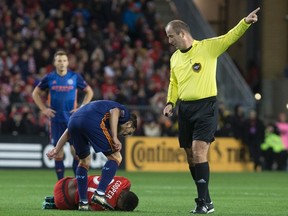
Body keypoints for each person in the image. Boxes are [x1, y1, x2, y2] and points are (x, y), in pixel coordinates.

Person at [162, 7, 260, 214]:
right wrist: (170, 102)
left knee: (199, 151)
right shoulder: (175, 58)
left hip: (206, 106)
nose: (169, 41)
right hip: (185, 109)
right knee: (190, 156)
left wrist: (245, 22)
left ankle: (202, 203)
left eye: (171, 36)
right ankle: (207, 200)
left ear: (182, 34)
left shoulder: (207, 48)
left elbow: (229, 37)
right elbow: (174, 83)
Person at [47, 100, 137, 211]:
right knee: (116, 157)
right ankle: (99, 193)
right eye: (128, 132)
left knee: (84, 161)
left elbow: (71, 128)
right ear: (129, 124)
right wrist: (114, 137)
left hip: (73, 121)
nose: (125, 135)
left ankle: (83, 202)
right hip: (92, 121)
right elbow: (115, 111)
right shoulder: (125, 113)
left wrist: (57, 148)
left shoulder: (96, 109)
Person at [32, 50, 94, 180]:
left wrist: (81, 107)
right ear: (55, 62)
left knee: (75, 151)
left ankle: (77, 181)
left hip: (72, 120)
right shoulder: (49, 78)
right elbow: (35, 93)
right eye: (59, 60)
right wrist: (44, 109)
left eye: (64, 60)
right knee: (58, 153)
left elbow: (89, 92)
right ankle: (60, 183)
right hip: (56, 120)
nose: (62, 63)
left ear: (67, 62)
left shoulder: (74, 77)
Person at [42, 175, 139, 211]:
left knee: (85, 180)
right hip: (63, 201)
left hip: (63, 182)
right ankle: (54, 204)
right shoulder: (108, 204)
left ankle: (53, 199)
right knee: (81, 205)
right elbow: (88, 208)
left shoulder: (125, 181)